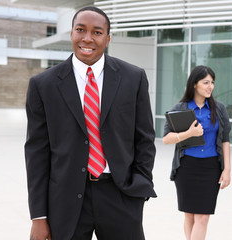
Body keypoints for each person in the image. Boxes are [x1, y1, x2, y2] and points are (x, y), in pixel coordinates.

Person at [24, 6, 156, 240]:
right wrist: (39, 216)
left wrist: (140, 186)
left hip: (120, 195)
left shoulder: (133, 78)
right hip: (64, 200)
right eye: (80, 30)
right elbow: (37, 152)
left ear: (107, 38)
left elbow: (144, 138)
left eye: (96, 32)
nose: (87, 38)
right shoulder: (43, 85)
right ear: (71, 34)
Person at [163, 65, 231, 240]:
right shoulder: (181, 107)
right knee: (189, 215)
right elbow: (166, 139)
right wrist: (188, 134)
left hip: (211, 168)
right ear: (195, 84)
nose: (210, 87)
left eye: (212, 83)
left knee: (203, 217)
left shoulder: (219, 108)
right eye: (206, 82)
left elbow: (225, 139)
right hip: (187, 167)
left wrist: (227, 169)